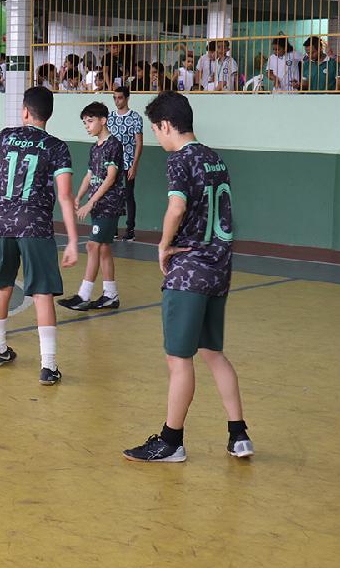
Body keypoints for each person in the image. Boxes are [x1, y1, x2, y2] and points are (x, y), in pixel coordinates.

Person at [123, 91, 252, 463]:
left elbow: (177, 206)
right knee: (213, 353)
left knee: (179, 360)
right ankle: (239, 434)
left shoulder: (179, 160)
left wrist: (163, 245)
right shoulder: (215, 158)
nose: (156, 137)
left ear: (166, 125)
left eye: (155, 130)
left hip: (189, 272)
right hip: (219, 268)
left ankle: (171, 441)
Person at [0, 86, 78, 385]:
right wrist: (72, 240)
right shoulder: (57, 147)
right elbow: (65, 195)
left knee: (1, 285)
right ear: (49, 114)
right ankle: (48, 366)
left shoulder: (5, 137)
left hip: (1, 222)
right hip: (35, 224)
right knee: (42, 292)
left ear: (25, 111)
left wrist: (2, 182)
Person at [59, 102, 124, 312]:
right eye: (84, 123)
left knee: (92, 246)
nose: (87, 126)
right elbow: (90, 175)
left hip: (109, 204)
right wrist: (78, 196)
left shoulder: (113, 145)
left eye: (90, 121)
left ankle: (83, 296)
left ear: (103, 120)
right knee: (103, 248)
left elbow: (111, 177)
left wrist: (91, 202)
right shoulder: (94, 148)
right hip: (98, 204)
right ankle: (110, 295)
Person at [108, 85, 142, 241]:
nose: (117, 101)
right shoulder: (110, 117)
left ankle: (130, 229)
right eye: (114, 98)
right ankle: (113, 228)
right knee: (113, 195)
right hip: (113, 163)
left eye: (120, 98)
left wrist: (134, 165)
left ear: (127, 98)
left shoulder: (135, 117)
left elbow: (139, 143)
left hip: (128, 162)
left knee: (128, 195)